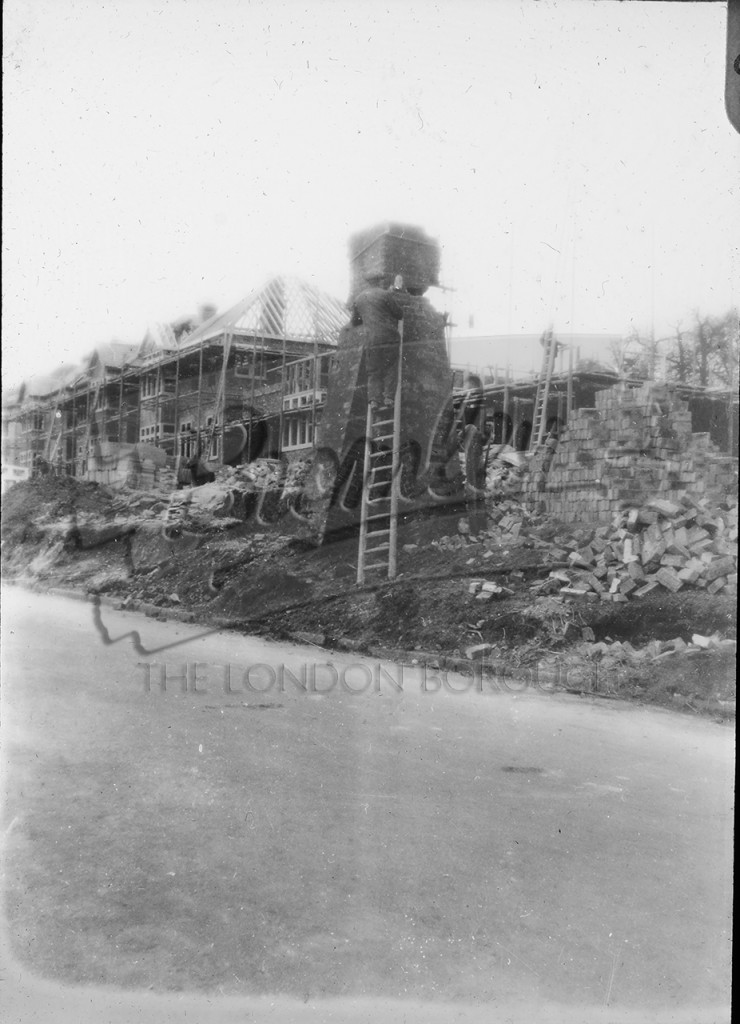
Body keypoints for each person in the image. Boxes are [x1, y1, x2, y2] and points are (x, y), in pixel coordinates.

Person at [351, 276, 405, 407]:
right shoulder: (385, 294)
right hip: (389, 338)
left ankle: (374, 400)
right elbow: (399, 314)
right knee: (390, 368)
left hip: (371, 341)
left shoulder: (359, 299)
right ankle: (389, 398)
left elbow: (355, 322)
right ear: (379, 282)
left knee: (374, 371)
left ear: (367, 284)